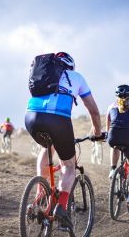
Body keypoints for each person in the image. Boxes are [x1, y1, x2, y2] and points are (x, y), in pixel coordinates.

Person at [25, 52, 102, 229]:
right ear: (71, 66)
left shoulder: (42, 75)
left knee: (46, 148)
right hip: (58, 120)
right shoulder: (77, 77)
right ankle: (61, 207)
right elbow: (94, 111)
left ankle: (39, 193)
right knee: (68, 165)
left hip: (31, 117)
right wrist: (97, 132)